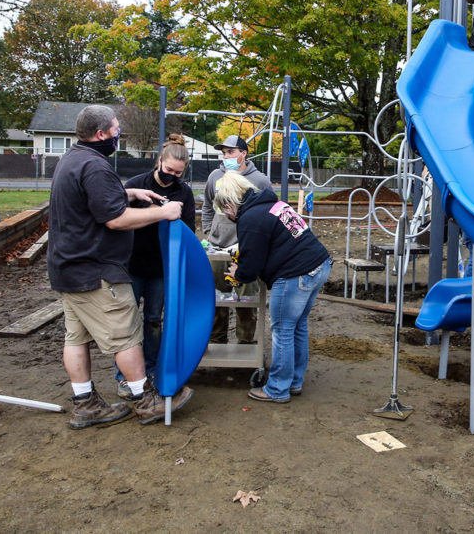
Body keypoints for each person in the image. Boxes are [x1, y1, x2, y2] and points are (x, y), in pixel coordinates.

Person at [47, 105, 193, 429]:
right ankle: (145, 400)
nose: (118, 133)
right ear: (101, 134)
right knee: (126, 335)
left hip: (67, 268)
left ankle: (85, 404)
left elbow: (92, 201)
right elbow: (114, 219)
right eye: (115, 128)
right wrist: (163, 213)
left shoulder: (72, 159)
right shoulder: (96, 167)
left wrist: (127, 192)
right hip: (95, 272)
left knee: (76, 337)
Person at [214, 173, 332, 403]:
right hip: (318, 264)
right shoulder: (274, 204)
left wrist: (238, 273)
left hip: (294, 274)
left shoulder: (250, 218)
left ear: (229, 205)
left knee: (283, 331)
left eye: (225, 213)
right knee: (297, 327)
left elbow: (251, 264)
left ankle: (277, 388)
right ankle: (294, 381)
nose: (228, 218)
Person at [113, 134, 197, 400]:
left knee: (153, 321)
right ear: (159, 161)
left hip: (162, 269)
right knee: (127, 323)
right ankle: (124, 377)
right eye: (169, 169)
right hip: (132, 265)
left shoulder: (183, 191)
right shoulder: (137, 185)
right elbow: (117, 220)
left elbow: (189, 231)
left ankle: (150, 369)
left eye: (178, 172)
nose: (172, 175)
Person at [201, 134, 272, 344]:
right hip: (217, 247)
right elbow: (207, 205)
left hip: (245, 249)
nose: (226, 156)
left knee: (247, 301)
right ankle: (217, 340)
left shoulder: (259, 180)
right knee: (216, 300)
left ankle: (246, 342)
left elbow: (268, 212)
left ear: (243, 154)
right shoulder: (215, 176)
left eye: (231, 152)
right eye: (223, 153)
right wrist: (208, 230)